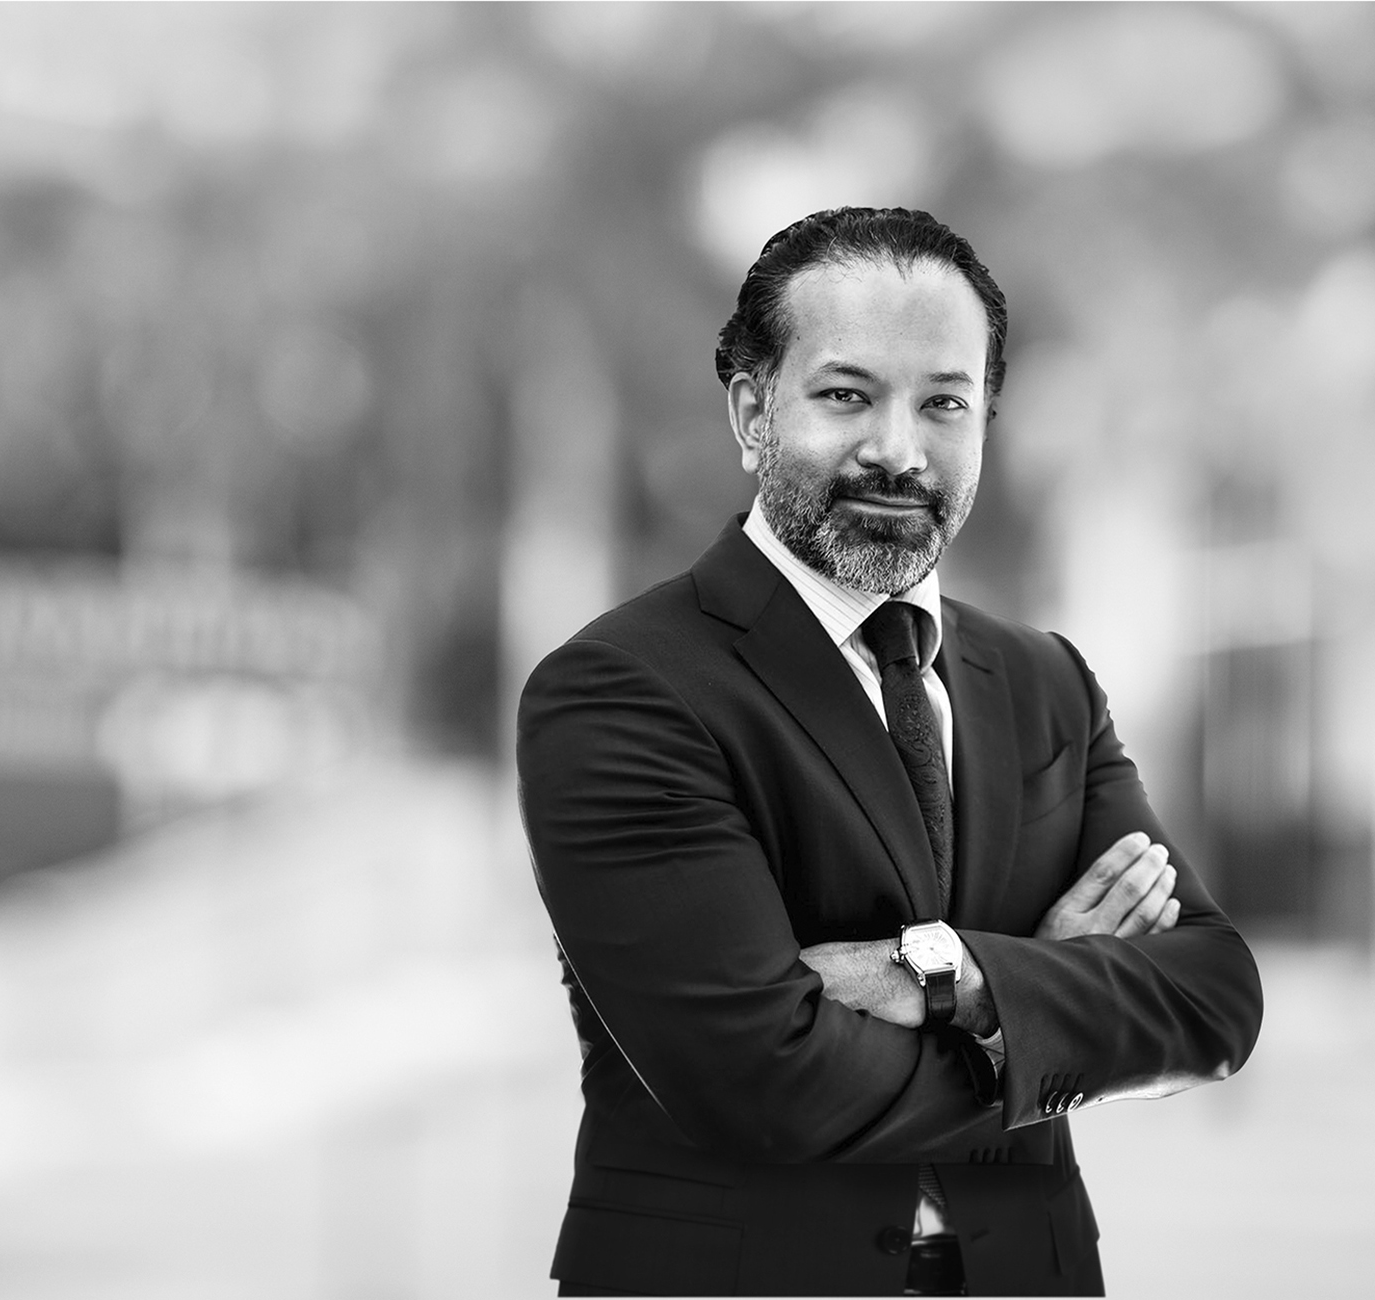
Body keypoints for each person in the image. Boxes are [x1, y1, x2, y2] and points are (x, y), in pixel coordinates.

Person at [516, 207, 1263, 1297]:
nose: (897, 451)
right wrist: (1043, 1009)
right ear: (752, 411)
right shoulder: (624, 687)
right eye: (845, 395)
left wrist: (948, 977)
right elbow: (759, 1082)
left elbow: (1210, 999)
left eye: (942, 403)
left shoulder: (1045, 681)